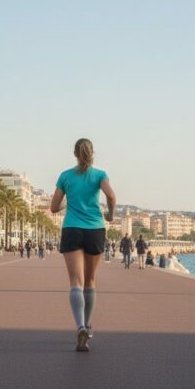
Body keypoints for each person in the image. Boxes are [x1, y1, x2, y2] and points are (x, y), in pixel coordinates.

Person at [51, 138, 116, 352]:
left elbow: (53, 207)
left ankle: (79, 325)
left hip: (72, 228)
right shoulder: (100, 175)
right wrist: (110, 215)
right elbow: (111, 195)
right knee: (90, 280)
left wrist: (65, 203)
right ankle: (87, 328)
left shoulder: (65, 176)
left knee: (75, 283)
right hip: (95, 229)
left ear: (74, 153)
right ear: (92, 153)